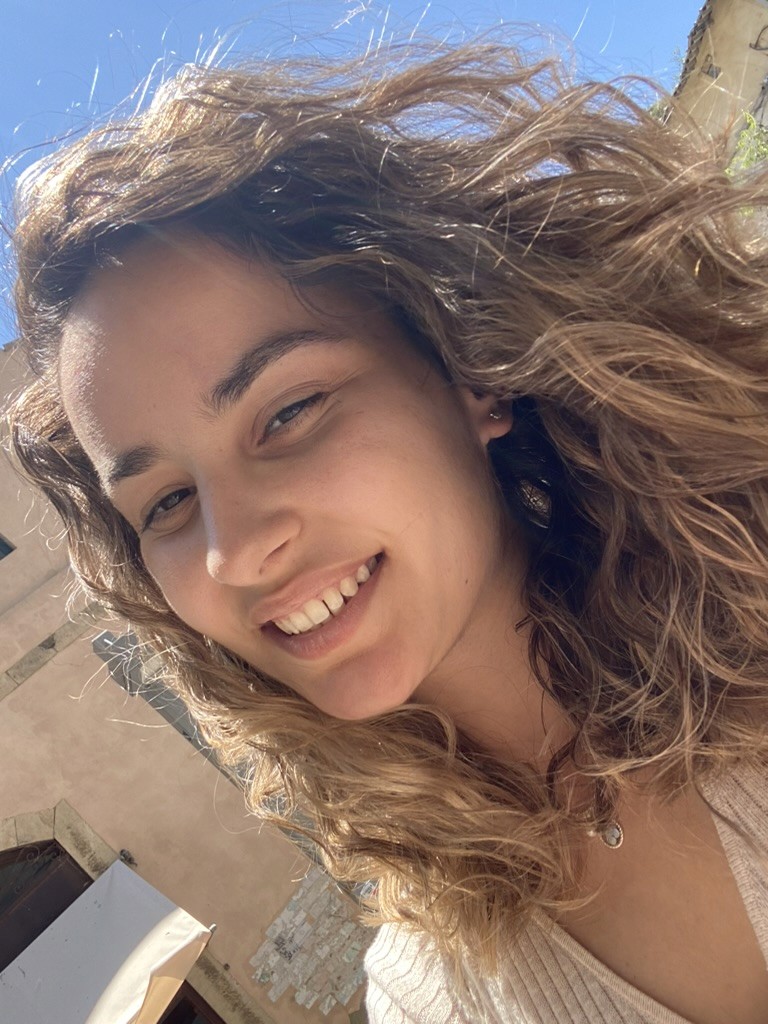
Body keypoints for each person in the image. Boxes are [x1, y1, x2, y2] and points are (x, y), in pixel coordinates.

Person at [6, 37, 768, 1024]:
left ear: (467, 371)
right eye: (165, 505)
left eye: (289, 411)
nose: (233, 552)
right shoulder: (430, 993)